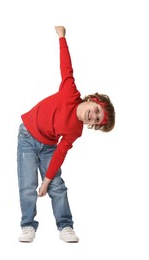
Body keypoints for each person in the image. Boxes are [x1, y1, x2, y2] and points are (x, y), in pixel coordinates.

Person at [17, 26, 115, 243]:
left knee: (57, 185)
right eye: (97, 111)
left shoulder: (75, 131)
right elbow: (66, 66)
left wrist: (47, 181)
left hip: (48, 146)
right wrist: (62, 37)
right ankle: (27, 225)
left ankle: (65, 226)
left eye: (98, 120)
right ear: (92, 100)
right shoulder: (71, 92)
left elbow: (60, 152)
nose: (94, 116)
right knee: (27, 184)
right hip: (27, 136)